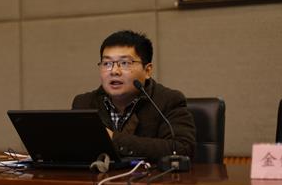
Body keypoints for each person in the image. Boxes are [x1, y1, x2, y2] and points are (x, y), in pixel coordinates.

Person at [72, 30, 196, 162]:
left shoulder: (168, 100)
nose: (114, 71)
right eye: (107, 63)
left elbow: (182, 149)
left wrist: (113, 139)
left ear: (147, 70)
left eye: (125, 63)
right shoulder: (84, 103)